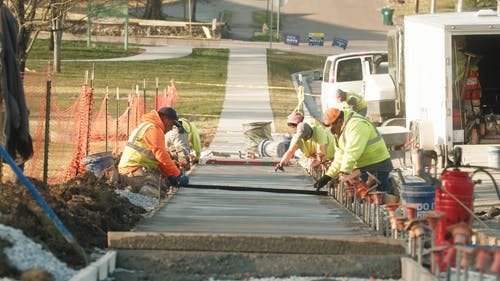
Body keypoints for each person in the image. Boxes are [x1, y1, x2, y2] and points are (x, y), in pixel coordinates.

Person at [314, 108, 393, 193]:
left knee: (377, 199)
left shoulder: (356, 125)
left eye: (332, 126)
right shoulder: (340, 131)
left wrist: (343, 172)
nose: (331, 131)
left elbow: (352, 153)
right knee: (364, 198)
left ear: (340, 121)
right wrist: (328, 176)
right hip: (363, 167)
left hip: (376, 166)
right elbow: (340, 156)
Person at [115, 107, 189, 194]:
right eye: (172, 125)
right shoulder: (153, 129)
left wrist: (170, 175)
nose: (170, 129)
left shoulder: (149, 125)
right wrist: (178, 175)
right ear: (166, 120)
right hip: (133, 170)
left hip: (133, 168)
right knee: (154, 191)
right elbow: (161, 155)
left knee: (162, 183)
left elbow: (159, 157)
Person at [276, 112, 335, 180]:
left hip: (331, 154)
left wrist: (315, 164)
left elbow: (320, 153)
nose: (303, 138)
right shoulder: (298, 137)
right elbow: (290, 151)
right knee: (312, 166)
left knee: (329, 174)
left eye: (305, 136)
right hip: (317, 156)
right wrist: (282, 163)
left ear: (309, 132)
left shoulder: (318, 132)